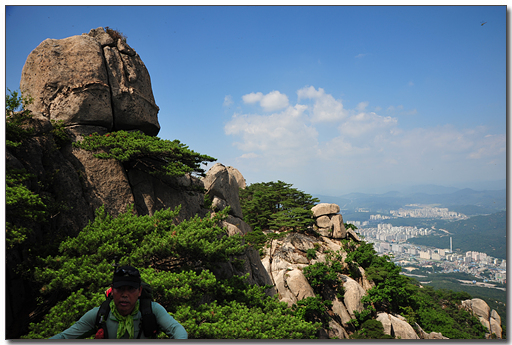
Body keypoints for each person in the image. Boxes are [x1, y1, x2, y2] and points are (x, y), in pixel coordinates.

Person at [50, 266, 188, 339]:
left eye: (130, 289)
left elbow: (178, 330)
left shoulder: (151, 311)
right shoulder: (100, 315)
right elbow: (64, 337)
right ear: (112, 290)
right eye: (120, 289)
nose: (124, 295)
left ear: (139, 291)